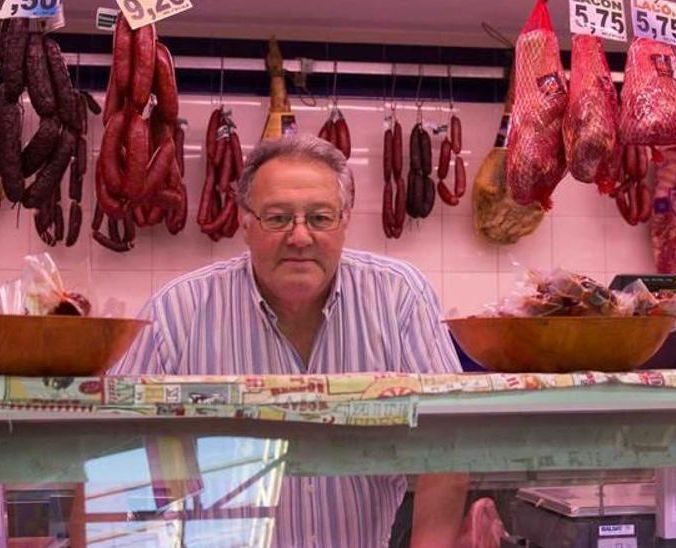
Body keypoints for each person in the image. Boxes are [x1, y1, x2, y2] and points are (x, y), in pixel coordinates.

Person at [113, 134, 468, 547]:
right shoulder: (177, 313)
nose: (300, 237)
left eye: (319, 218)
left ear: (345, 220)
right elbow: (122, 464)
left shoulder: (399, 298)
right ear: (245, 223)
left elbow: (448, 446)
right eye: (278, 218)